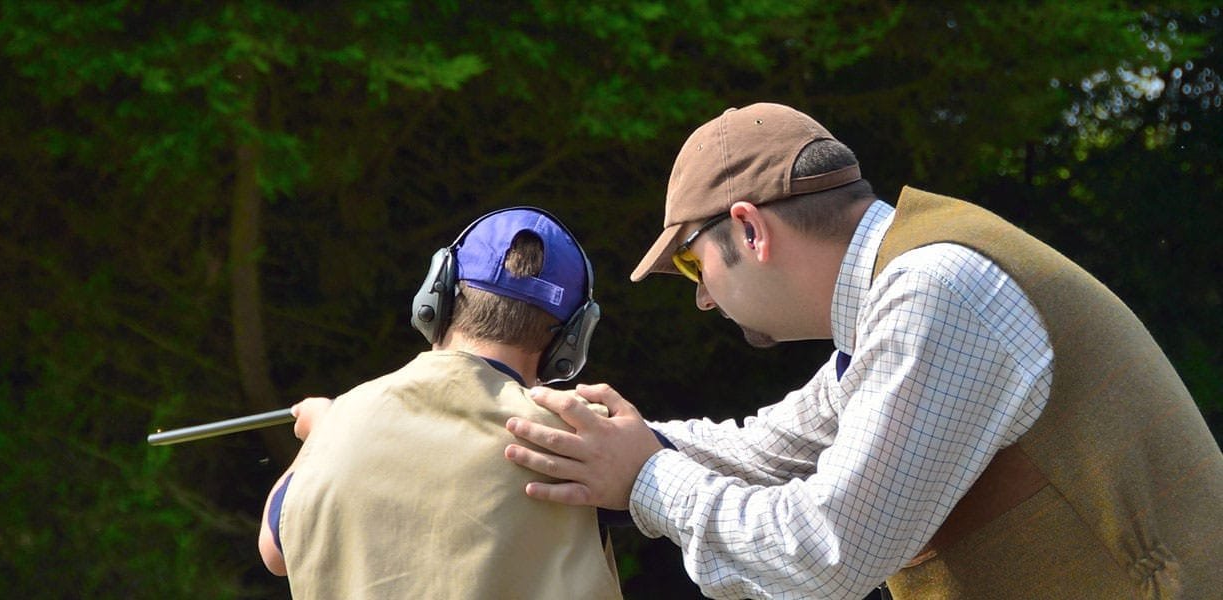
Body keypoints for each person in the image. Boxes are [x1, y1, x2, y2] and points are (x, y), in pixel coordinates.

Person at [500, 102, 1223, 599]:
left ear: (750, 231)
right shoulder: (897, 295)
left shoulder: (936, 293)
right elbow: (769, 450)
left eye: (693, 266)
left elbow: (825, 555)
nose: (704, 299)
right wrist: (618, 443)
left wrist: (648, 480)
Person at [256, 207, 623, 599]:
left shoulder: (341, 423)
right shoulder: (586, 440)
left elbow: (275, 549)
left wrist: (322, 437)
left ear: (436, 294)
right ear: (573, 340)